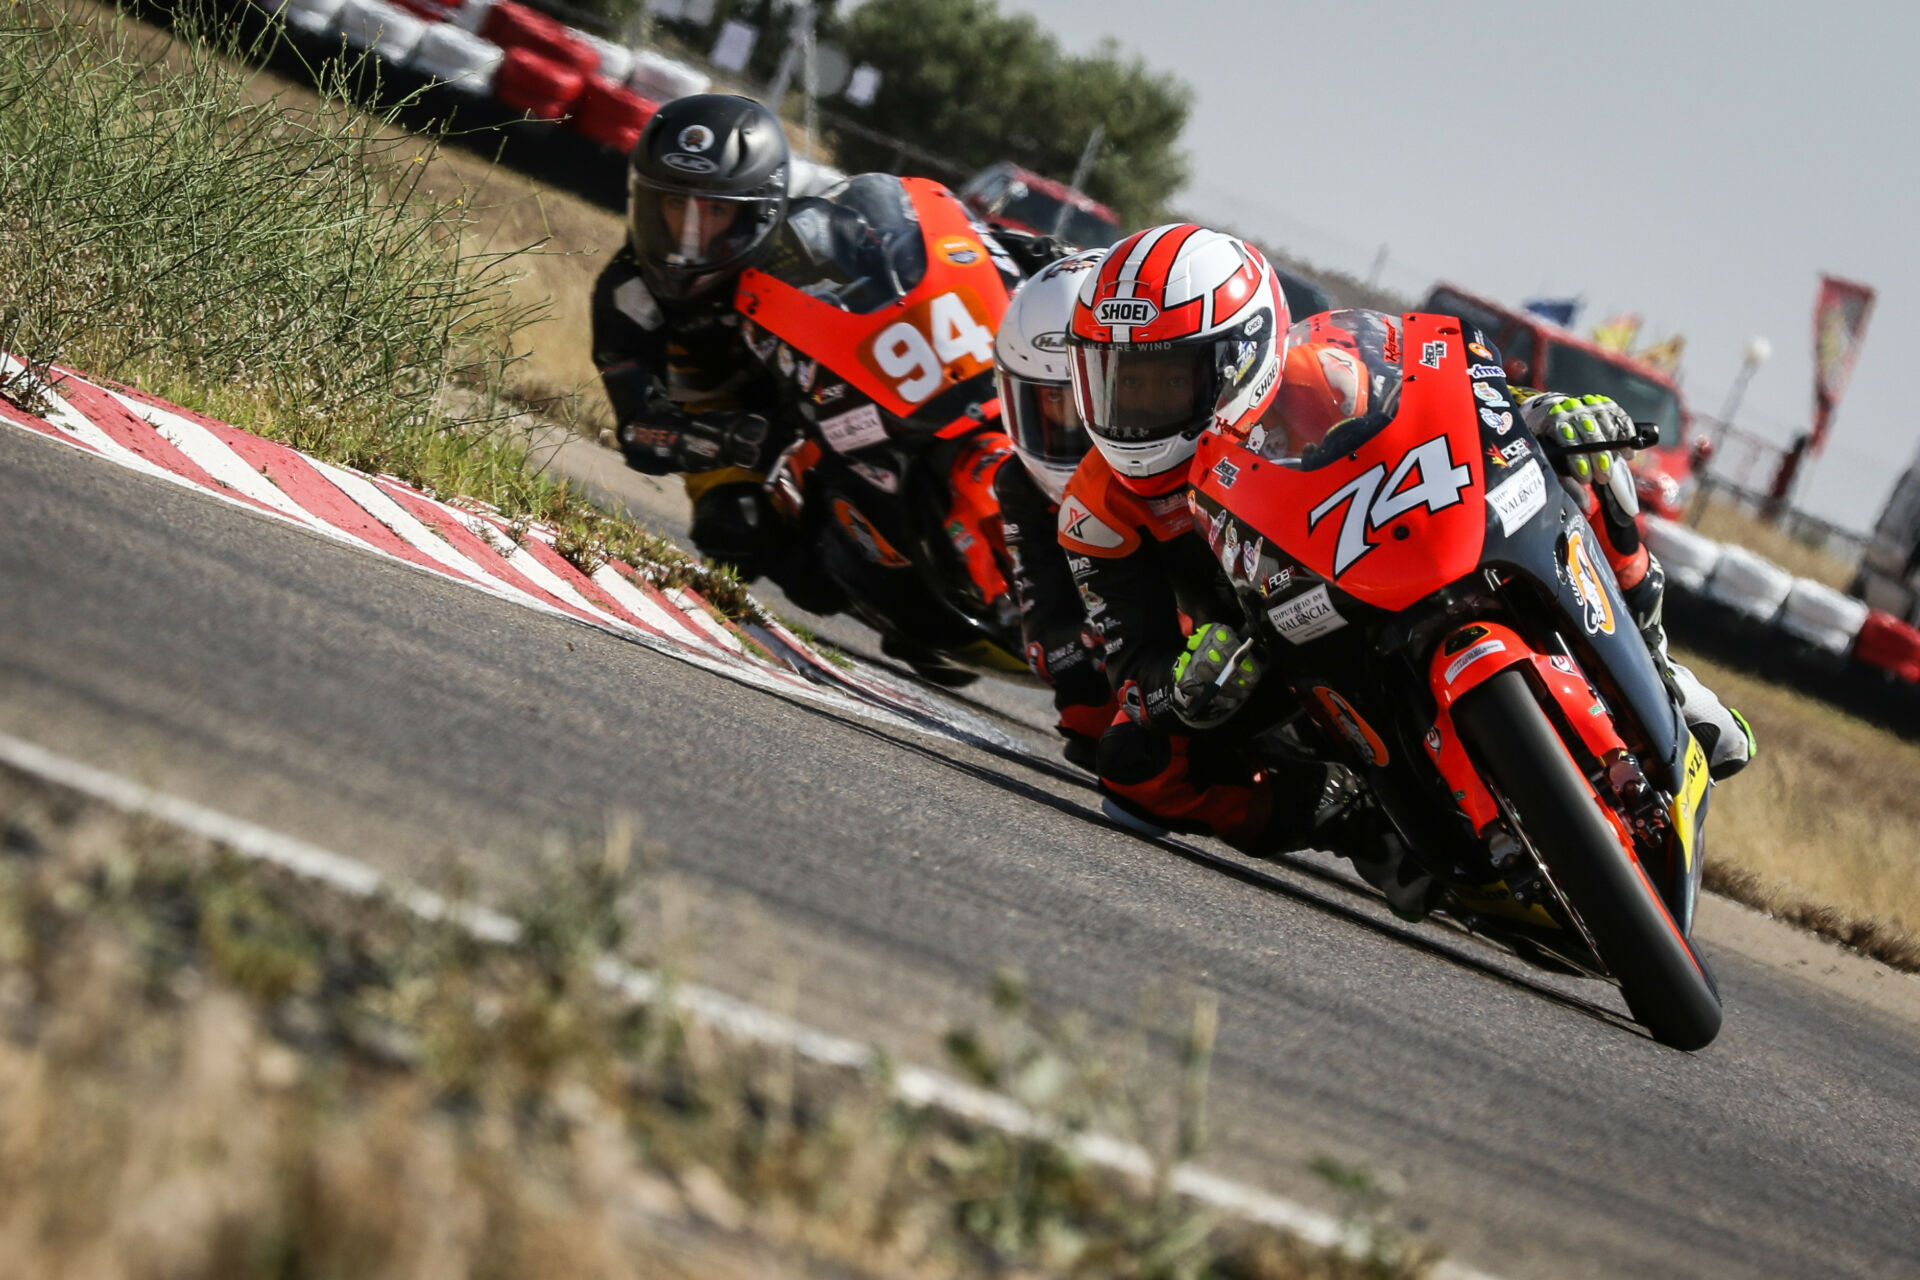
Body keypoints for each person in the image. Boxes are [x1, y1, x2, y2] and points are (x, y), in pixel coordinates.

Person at [1052, 225, 1404, 890]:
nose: (1135, 406)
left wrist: (1531, 416)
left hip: (1390, 571)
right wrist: (1180, 683)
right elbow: (1133, 669)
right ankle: (1351, 818)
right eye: (1118, 379)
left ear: (1238, 357)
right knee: (1133, 763)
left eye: (1163, 381)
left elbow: (1448, 415)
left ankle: (1632, 612)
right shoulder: (1095, 507)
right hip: (1270, 650)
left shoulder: (1326, 382)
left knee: (1578, 471)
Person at [591, 93, 836, 605]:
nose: (690, 231)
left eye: (716, 209)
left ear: (757, 213)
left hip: (830, 403)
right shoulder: (628, 287)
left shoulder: (809, 248)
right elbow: (638, 429)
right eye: (676, 203)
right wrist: (730, 440)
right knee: (738, 537)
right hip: (728, 422)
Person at [991, 247, 1118, 766]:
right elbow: (1043, 640)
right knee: (1093, 730)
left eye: (1093, 397)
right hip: (1140, 647)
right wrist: (1096, 637)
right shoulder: (1022, 484)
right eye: (1053, 399)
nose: (1072, 419)